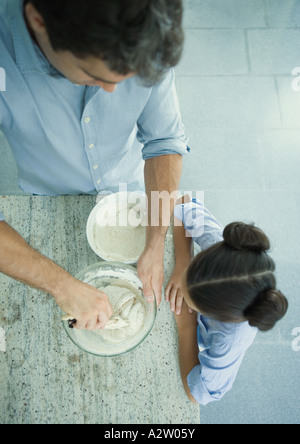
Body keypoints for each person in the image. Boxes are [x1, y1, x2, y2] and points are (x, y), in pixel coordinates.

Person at [0, 0, 188, 330]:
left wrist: (155, 242)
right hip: (48, 202)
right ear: (38, 21)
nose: (114, 90)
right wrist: (61, 285)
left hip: (131, 190)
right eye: (92, 75)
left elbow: (163, 143)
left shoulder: (148, 27)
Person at [165, 196, 288, 405]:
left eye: (190, 299)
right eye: (190, 269)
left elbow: (197, 394)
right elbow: (182, 204)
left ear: (214, 315)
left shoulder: (229, 340)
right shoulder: (218, 245)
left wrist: (187, 327)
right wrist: (182, 262)